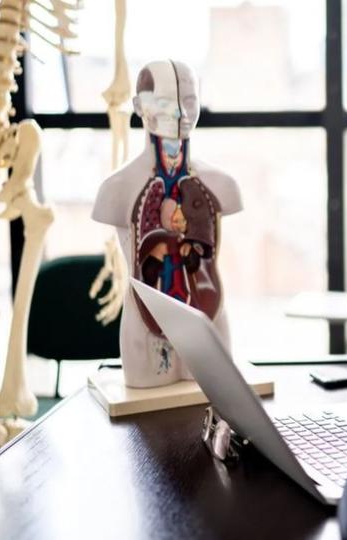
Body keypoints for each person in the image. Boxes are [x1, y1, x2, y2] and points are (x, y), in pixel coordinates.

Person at [93, 60, 242, 388]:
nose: (180, 115)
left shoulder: (222, 184)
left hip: (208, 315)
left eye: (189, 102)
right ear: (139, 108)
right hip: (144, 327)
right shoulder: (116, 190)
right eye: (164, 103)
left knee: (215, 407)